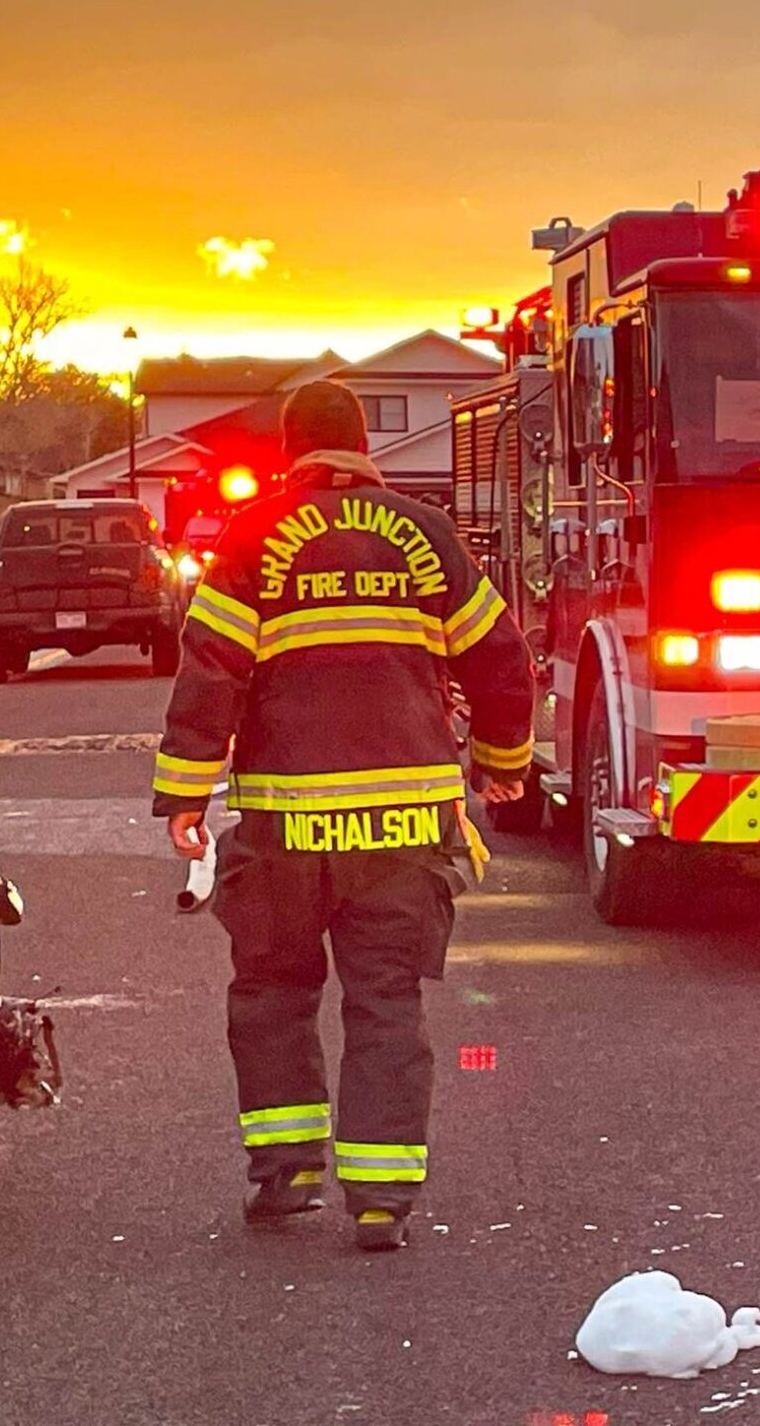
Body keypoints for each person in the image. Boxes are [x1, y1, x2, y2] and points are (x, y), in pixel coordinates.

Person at [154, 381, 536, 1251]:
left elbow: (211, 669)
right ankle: (379, 1200)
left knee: (274, 994)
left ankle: (285, 1174)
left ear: (293, 451)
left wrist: (184, 795)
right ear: (366, 445)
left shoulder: (253, 539)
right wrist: (504, 765)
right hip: (404, 830)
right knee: (386, 1002)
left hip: (286, 829)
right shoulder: (429, 533)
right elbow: (499, 657)